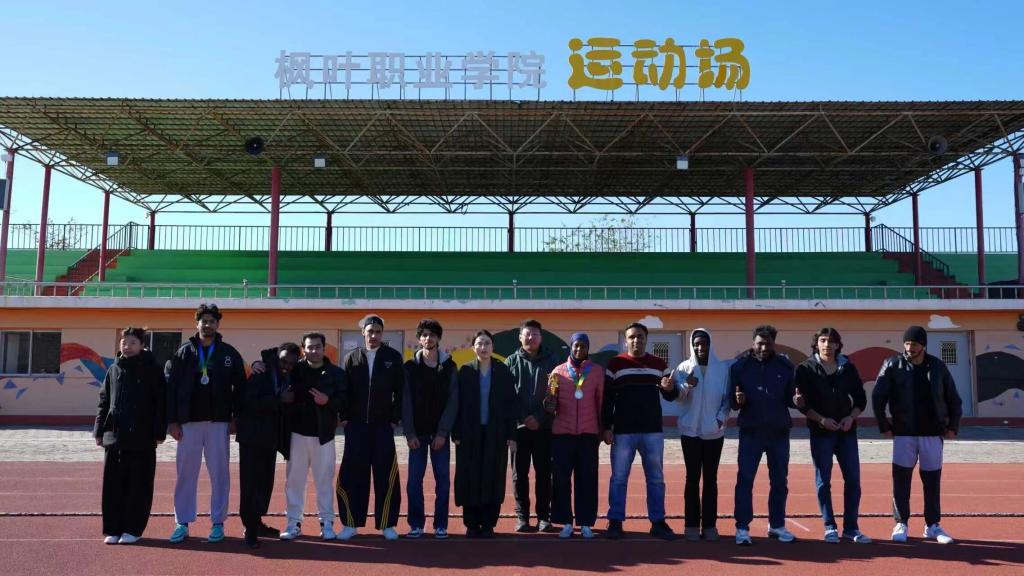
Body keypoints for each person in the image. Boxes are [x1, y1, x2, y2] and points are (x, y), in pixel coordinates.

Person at [873, 325, 962, 544]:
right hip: (904, 433)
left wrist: (953, 425)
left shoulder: (938, 367)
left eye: (913, 344)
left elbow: (953, 398)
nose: (909, 348)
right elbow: (878, 396)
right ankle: (901, 523)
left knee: (932, 481)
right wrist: (884, 425)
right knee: (901, 480)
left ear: (923, 345)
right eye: (906, 343)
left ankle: (932, 525)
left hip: (932, 433)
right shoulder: (892, 364)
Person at [166, 304, 246, 544]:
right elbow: (171, 389)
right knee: (185, 474)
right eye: (204, 321)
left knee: (220, 474)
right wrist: (172, 421)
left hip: (218, 422)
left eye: (212, 321)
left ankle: (218, 522)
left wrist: (236, 417)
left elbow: (241, 388)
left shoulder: (229, 353)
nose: (208, 325)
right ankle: (182, 522)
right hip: (188, 423)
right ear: (197, 323)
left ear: (218, 324)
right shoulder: (183, 353)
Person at [795, 327, 872, 544]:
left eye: (831, 341)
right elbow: (803, 405)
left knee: (853, 481)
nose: (827, 345)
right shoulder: (805, 369)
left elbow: (860, 399)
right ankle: (829, 526)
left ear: (838, 345)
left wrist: (851, 417)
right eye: (823, 340)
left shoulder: (848, 368)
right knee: (823, 482)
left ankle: (851, 528)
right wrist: (822, 420)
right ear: (816, 344)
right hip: (821, 433)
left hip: (847, 433)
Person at [603, 322, 678, 541]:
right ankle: (615, 521)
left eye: (640, 336)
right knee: (618, 478)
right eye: (632, 337)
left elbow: (670, 395)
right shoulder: (615, 364)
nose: (636, 340)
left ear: (646, 339)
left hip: (652, 431)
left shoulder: (659, 364)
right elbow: (607, 399)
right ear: (626, 340)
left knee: (656, 479)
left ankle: (658, 522)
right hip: (623, 432)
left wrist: (670, 388)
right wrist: (606, 427)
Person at [94, 327, 166, 545]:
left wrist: (159, 432)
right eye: (124, 342)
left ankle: (133, 529)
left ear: (142, 345)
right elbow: (104, 400)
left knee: (138, 485)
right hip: (114, 437)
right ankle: (113, 528)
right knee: (112, 485)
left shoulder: (153, 369)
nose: (127, 346)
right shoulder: (113, 369)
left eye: (133, 342)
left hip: (142, 437)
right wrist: (99, 430)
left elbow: (161, 403)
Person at [731, 325, 801, 546]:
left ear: (774, 343)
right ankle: (742, 528)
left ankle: (777, 525)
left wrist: (798, 402)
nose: (763, 348)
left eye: (767, 343)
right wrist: (738, 401)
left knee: (779, 481)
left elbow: (791, 398)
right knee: (745, 480)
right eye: (759, 343)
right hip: (750, 432)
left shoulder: (785, 366)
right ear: (753, 343)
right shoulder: (740, 367)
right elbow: (733, 401)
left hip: (778, 432)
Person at [337, 314, 405, 540]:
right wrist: (345, 418)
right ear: (363, 333)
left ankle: (387, 524)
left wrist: (394, 420)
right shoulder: (352, 357)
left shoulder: (393, 357)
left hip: (382, 427)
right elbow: (344, 391)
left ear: (382, 334)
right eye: (370, 332)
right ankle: (350, 524)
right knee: (353, 475)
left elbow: (400, 392)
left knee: (386, 475)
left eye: (377, 332)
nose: (373, 335)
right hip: (356, 427)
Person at [279, 333, 345, 541]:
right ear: (303, 349)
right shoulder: (295, 370)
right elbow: (273, 361)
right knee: (294, 482)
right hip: (296, 434)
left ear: (324, 349)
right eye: (310, 347)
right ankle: (293, 523)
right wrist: (256, 364)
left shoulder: (336, 373)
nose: (314, 351)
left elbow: (345, 401)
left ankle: (327, 523)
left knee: (324, 482)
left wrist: (328, 401)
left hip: (324, 436)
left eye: (318, 347)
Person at [453, 330, 518, 538]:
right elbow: (456, 404)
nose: (483, 347)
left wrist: (511, 435)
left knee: (493, 476)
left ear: (493, 346)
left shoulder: (503, 371)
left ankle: (489, 524)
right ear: (473, 347)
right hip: (469, 433)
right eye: (479, 343)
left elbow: (511, 405)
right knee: (470, 476)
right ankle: (472, 524)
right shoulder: (465, 371)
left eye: (487, 343)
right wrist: (456, 432)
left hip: (496, 433)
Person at [236, 341, 299, 549]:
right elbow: (248, 402)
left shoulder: (289, 376)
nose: (287, 366)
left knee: (264, 485)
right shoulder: (260, 373)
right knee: (250, 485)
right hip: (251, 438)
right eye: (284, 361)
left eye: (291, 363)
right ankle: (250, 530)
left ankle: (257, 522)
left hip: (270, 439)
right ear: (276, 358)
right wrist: (279, 399)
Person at [670, 328, 731, 542]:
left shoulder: (722, 369)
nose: (700, 347)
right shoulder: (684, 368)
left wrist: (719, 420)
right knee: (692, 479)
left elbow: (727, 399)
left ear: (710, 344)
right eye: (696, 344)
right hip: (690, 432)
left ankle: (710, 526)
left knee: (711, 480)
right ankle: (691, 525)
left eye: (704, 343)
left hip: (714, 433)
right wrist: (687, 384)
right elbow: (678, 398)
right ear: (691, 345)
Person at [402, 319, 459, 539]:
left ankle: (440, 524)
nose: (428, 338)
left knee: (442, 481)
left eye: (432, 335)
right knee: (413, 482)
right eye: (424, 335)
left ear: (438, 338)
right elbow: (405, 401)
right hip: (417, 435)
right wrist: (409, 433)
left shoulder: (450, 367)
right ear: (419, 339)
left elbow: (453, 402)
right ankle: (416, 524)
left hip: (439, 436)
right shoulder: (409, 367)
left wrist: (443, 433)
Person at [505, 319, 561, 532]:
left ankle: (544, 517)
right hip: (518, 430)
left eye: (535, 334)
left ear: (541, 337)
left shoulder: (553, 362)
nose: (531, 337)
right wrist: (524, 418)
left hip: (544, 428)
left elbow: (554, 394)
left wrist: (539, 417)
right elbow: (508, 395)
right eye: (527, 334)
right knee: (519, 475)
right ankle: (522, 517)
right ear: (520, 337)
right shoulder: (511, 362)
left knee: (544, 474)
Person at [547, 332, 604, 540]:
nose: (579, 349)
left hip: (588, 434)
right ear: (571, 347)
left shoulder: (596, 372)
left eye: (583, 346)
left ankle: (586, 523)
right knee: (561, 480)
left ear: (588, 349)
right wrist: (549, 401)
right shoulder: (558, 371)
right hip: (562, 434)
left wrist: (601, 429)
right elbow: (551, 403)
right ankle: (565, 523)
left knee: (587, 479)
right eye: (576, 346)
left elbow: (600, 401)